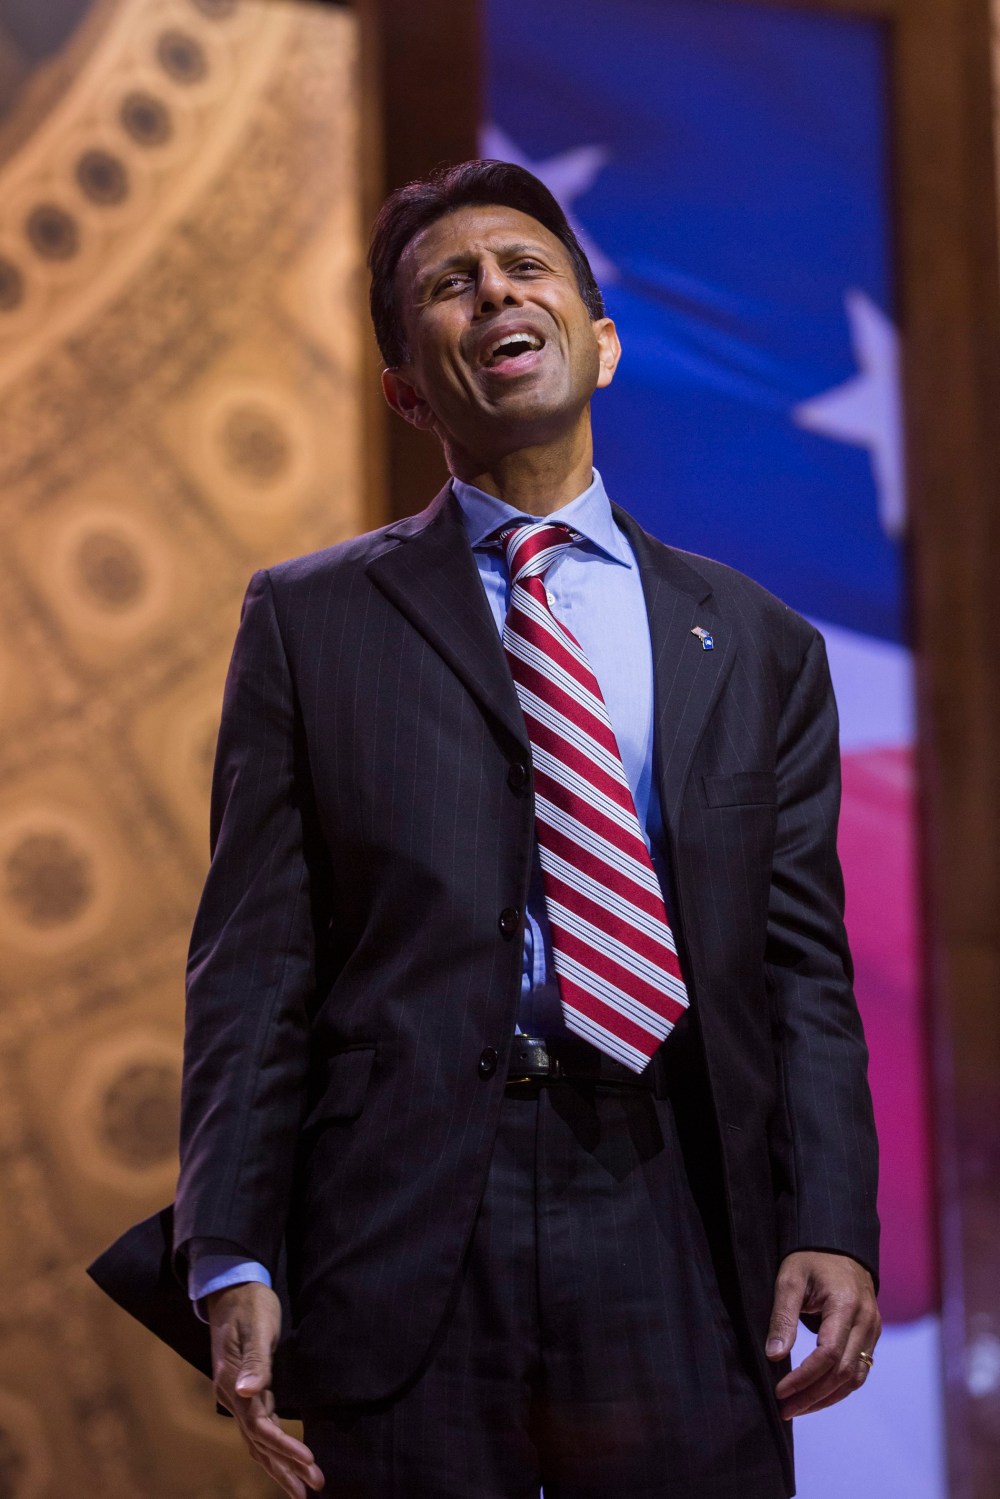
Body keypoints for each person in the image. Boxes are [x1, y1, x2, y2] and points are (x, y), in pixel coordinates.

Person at [92, 160, 881, 1499]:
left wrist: (834, 1219)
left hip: (679, 1210)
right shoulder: (309, 623)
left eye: (525, 267)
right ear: (408, 392)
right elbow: (254, 965)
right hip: (405, 1230)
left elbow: (804, 969)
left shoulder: (758, 642)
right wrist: (230, 1248)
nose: (494, 292)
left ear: (601, 341)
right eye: (446, 288)